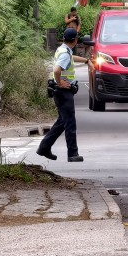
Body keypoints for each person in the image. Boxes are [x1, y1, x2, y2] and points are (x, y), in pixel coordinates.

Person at [37, 28, 88, 162]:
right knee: (70, 122)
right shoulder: (65, 53)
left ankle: (44, 147)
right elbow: (57, 70)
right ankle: (72, 153)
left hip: (60, 91)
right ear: (75, 40)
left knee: (62, 122)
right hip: (63, 92)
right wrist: (59, 83)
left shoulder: (63, 50)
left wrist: (86, 61)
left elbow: (70, 59)